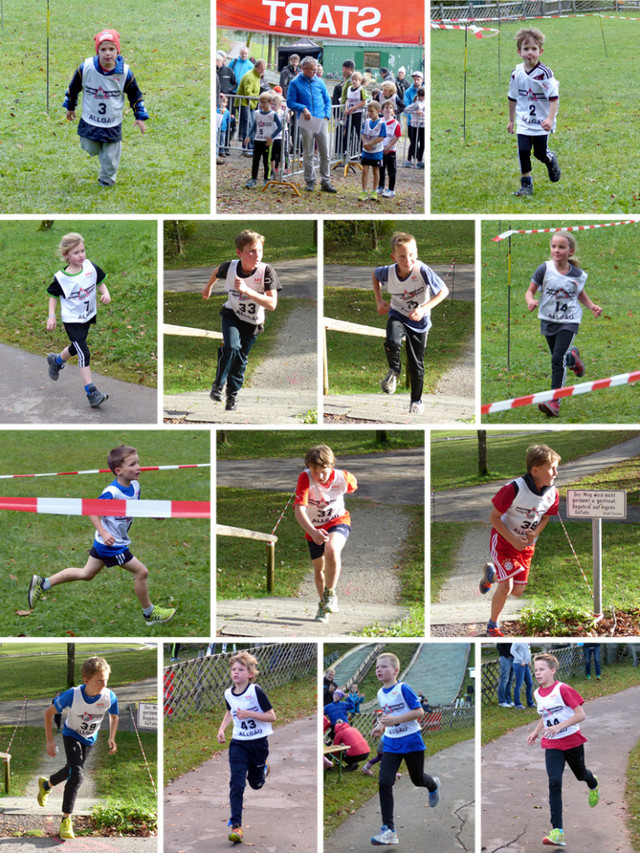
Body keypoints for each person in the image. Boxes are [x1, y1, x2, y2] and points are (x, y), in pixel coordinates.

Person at [27, 444, 176, 624]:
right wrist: (104, 533)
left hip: (107, 542)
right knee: (142, 572)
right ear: (118, 471)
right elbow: (92, 510)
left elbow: (134, 507)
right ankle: (149, 613)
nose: (138, 467)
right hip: (111, 545)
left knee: (86, 574)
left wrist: (154, 515)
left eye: (138, 463)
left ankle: (43, 583)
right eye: (132, 464)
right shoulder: (111, 492)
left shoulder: (135, 486)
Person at [479, 444, 560, 637]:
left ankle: (491, 575)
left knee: (517, 591)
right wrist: (513, 538)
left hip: (526, 547)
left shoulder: (552, 493)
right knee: (505, 586)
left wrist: (535, 532)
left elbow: (546, 518)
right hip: (504, 542)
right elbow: (494, 518)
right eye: (551, 468)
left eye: (557, 468)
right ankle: (492, 625)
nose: (556, 473)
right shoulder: (513, 489)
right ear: (535, 470)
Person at [37, 656, 118, 840]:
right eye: (99, 680)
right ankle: (66, 820)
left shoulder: (109, 696)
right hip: (71, 734)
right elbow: (48, 713)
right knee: (78, 775)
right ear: (86, 680)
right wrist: (50, 741)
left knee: (72, 770)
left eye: (106, 680)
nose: (104, 684)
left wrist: (112, 737)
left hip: (89, 739)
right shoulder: (72, 695)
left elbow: (114, 716)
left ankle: (45, 785)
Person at [525, 230, 602, 417]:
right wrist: (530, 301)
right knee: (560, 358)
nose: (556, 250)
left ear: (571, 251)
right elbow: (530, 291)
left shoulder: (578, 275)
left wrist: (591, 306)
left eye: (561, 247)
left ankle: (555, 401)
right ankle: (573, 358)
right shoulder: (544, 269)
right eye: (554, 246)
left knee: (556, 360)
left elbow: (579, 292)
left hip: (569, 321)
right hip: (548, 320)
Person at [202, 229, 280, 411]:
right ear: (239, 252)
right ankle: (217, 387)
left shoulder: (266, 271)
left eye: (260, 250)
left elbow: (272, 304)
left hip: (253, 323)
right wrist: (207, 288)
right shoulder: (229, 267)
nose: (257, 255)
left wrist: (247, 291)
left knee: (240, 361)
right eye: (251, 251)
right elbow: (216, 271)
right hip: (232, 315)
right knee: (231, 347)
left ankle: (232, 397)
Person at [372, 231, 449, 415]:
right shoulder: (388, 272)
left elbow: (443, 291)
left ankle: (416, 401)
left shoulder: (422, 270)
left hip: (419, 321)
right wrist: (379, 301)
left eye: (412, 254)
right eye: (403, 256)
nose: (408, 260)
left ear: (417, 253)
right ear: (394, 257)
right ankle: (394, 371)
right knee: (392, 341)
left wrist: (423, 309)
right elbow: (375, 276)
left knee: (416, 364)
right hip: (398, 314)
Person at [527, 653, 599, 847]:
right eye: (535, 670)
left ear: (552, 670)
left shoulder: (563, 689)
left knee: (581, 774)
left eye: (541, 669)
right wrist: (536, 731)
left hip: (572, 740)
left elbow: (580, 714)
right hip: (552, 744)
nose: (538, 673)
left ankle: (592, 783)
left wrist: (560, 726)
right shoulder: (536, 693)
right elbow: (546, 714)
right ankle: (557, 832)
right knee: (555, 782)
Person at [370, 652, 440, 846]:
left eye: (384, 666)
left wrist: (395, 720)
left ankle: (433, 785)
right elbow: (387, 713)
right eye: (377, 667)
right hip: (392, 742)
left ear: (395, 670)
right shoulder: (379, 693)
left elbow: (420, 712)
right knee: (384, 782)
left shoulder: (403, 689)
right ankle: (389, 831)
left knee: (418, 779)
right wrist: (381, 726)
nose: (379, 670)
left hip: (411, 741)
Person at [63, 29, 148, 187]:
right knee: (89, 147)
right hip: (90, 119)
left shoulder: (124, 73)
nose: (107, 53)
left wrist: (140, 117)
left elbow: (135, 95)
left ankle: (107, 178)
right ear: (97, 51)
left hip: (112, 122)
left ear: (118, 51)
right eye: (103, 49)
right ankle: (101, 152)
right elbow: (73, 88)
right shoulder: (86, 68)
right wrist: (70, 107)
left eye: (111, 49)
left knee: (109, 156)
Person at [45, 232, 111, 408]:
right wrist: (51, 315)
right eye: (76, 252)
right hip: (72, 319)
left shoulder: (89, 267)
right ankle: (92, 393)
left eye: (82, 250)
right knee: (84, 353)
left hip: (87, 316)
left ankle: (56, 361)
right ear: (66, 255)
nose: (81, 255)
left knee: (77, 347)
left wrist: (105, 292)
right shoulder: (62, 278)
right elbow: (52, 295)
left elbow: (100, 281)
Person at [217, 651, 276, 845]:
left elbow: (271, 716)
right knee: (236, 783)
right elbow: (230, 711)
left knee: (256, 784)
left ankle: (264, 767)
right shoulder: (228, 693)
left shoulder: (255, 691)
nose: (236, 672)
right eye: (233, 669)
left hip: (258, 744)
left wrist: (250, 714)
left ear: (250, 673)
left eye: (241, 669)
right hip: (238, 744)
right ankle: (236, 827)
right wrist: (222, 729)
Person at [294, 444, 358, 622]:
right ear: (308, 468)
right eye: (315, 472)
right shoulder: (305, 478)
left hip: (338, 521)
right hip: (313, 527)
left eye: (324, 471)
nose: (320, 477)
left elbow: (353, 485)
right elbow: (299, 510)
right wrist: (313, 532)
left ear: (332, 465)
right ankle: (323, 604)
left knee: (332, 549)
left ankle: (331, 594)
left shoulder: (343, 477)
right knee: (319, 569)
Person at [508, 28, 561, 196]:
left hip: (541, 122)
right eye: (526, 49)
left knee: (539, 153)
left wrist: (550, 118)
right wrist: (511, 120)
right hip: (524, 120)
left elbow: (554, 98)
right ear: (519, 52)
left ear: (540, 51)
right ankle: (526, 184)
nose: (529, 53)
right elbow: (512, 97)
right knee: (523, 151)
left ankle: (550, 159)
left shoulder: (545, 73)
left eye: (533, 49)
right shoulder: (516, 73)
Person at [286, 56, 337, 193]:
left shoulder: (320, 82)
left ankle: (326, 181)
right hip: (306, 120)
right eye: (312, 69)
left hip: (321, 120)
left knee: (325, 152)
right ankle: (310, 180)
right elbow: (290, 102)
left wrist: (326, 115)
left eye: (316, 69)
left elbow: (327, 100)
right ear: (304, 69)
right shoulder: (295, 83)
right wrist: (302, 108)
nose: (315, 71)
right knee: (308, 152)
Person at [245, 92, 282, 188]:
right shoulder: (257, 113)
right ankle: (253, 179)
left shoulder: (273, 114)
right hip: (257, 140)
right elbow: (254, 126)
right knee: (255, 160)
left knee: (266, 161)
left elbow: (280, 127)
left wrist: (272, 137)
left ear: (270, 103)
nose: (262, 105)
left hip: (267, 142)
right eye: (261, 102)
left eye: (264, 102)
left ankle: (267, 179)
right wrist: (248, 136)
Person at [236, 59, 266, 154]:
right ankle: (246, 148)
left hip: (252, 104)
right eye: (261, 69)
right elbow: (248, 92)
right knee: (247, 125)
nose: (263, 71)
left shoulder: (257, 76)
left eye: (264, 69)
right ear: (256, 67)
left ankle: (251, 147)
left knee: (253, 125)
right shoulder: (250, 77)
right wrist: (259, 97)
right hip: (244, 103)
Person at [358, 100, 386, 201]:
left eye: (371, 111)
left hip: (376, 151)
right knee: (365, 170)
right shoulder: (366, 122)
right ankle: (364, 191)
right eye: (368, 111)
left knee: (376, 171)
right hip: (366, 151)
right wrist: (365, 143)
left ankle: (374, 190)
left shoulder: (381, 124)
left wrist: (370, 144)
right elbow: (362, 133)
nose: (369, 113)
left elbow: (381, 137)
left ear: (378, 111)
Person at [377, 99, 402, 198]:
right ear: (382, 110)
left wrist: (388, 147)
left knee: (391, 171)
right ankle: (380, 186)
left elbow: (397, 136)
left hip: (390, 150)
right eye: (386, 107)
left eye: (390, 108)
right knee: (381, 169)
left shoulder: (395, 123)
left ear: (393, 111)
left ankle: (391, 189)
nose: (388, 109)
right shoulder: (380, 122)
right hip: (380, 149)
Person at [341, 70, 367, 158]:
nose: (354, 81)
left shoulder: (362, 89)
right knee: (347, 132)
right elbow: (347, 100)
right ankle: (346, 150)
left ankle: (361, 151)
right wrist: (346, 109)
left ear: (360, 81)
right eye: (353, 79)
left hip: (358, 113)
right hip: (350, 114)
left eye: (356, 80)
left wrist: (353, 108)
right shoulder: (349, 89)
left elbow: (364, 102)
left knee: (359, 133)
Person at [402, 71, 423, 167]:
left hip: (423, 122)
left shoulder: (425, 90)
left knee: (422, 141)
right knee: (413, 141)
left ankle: (419, 159)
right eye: (414, 79)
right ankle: (409, 159)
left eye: (418, 79)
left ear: (421, 80)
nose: (416, 81)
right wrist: (411, 115)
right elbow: (407, 105)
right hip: (412, 121)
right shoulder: (408, 92)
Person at [511, 642, 535, 709]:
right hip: (519, 664)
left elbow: (527, 651)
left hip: (526, 664)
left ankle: (530, 703)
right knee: (519, 684)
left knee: (529, 683)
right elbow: (512, 651)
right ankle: (517, 704)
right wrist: (521, 660)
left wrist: (529, 660)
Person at [497, 643, 515, 708]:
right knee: (505, 679)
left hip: (513, 657)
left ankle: (508, 700)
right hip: (506, 657)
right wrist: (506, 655)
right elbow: (498, 646)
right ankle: (502, 701)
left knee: (510, 680)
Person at [217, 93, 231, 158]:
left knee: (222, 140)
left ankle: (222, 151)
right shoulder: (217, 110)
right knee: (217, 140)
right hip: (217, 128)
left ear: (226, 104)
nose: (222, 104)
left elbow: (228, 120)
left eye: (224, 103)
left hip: (223, 129)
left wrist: (232, 119)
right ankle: (216, 151)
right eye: (221, 102)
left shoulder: (227, 112)